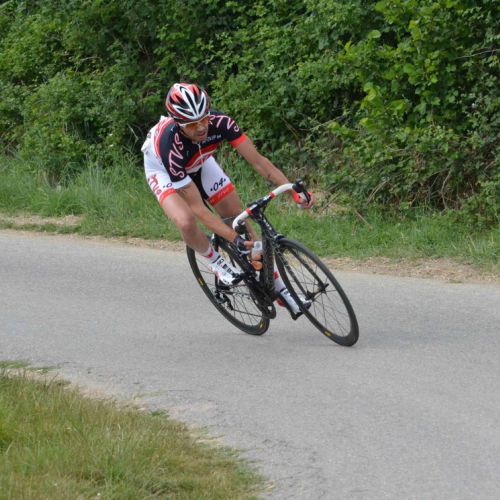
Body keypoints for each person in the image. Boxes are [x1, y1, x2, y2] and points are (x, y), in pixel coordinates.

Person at [142, 82, 315, 313]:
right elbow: (199, 209)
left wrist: (292, 190)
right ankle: (215, 261)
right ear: (178, 123)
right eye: (192, 124)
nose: (201, 127)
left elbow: (259, 162)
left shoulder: (221, 122)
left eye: (204, 119)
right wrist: (234, 240)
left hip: (200, 162)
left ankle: (281, 289)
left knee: (239, 221)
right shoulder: (170, 147)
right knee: (185, 221)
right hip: (162, 170)